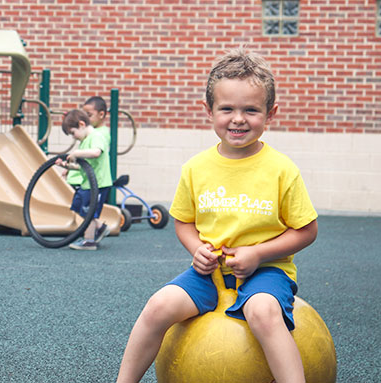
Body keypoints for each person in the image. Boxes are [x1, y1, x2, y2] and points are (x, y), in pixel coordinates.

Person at [116, 48, 318, 383]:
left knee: (262, 312)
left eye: (251, 110)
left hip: (267, 272)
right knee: (158, 305)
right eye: (227, 109)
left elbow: (306, 231)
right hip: (208, 275)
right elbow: (183, 222)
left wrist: (257, 254)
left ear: (271, 114)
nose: (238, 119)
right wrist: (196, 249)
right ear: (209, 111)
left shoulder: (283, 171)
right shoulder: (196, 168)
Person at [56, 109, 112, 251]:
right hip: (87, 184)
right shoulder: (84, 142)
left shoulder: (96, 136)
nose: (74, 137)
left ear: (81, 124)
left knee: (89, 211)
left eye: (73, 133)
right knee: (78, 205)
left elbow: (96, 152)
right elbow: (83, 166)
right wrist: (67, 166)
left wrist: (76, 153)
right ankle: (100, 227)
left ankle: (89, 241)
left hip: (98, 184)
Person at [64, 96, 111, 188]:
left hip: (88, 182)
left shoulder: (99, 134)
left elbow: (95, 153)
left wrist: (76, 153)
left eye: (89, 115)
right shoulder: (87, 135)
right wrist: (68, 168)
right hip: (84, 181)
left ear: (101, 114)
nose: (86, 118)